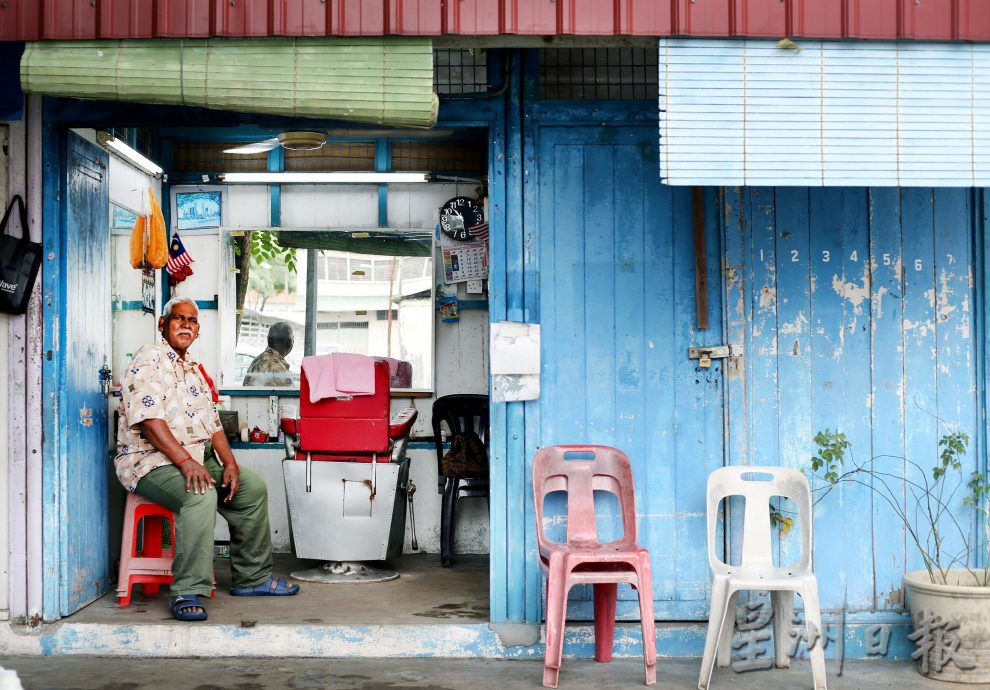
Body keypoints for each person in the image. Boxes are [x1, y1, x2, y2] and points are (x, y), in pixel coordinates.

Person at [114, 297, 299, 622]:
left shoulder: (195, 372)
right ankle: (187, 589)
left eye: (192, 320)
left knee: (251, 488)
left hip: (196, 457)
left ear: (198, 330)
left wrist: (228, 462)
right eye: (178, 318)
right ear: (163, 324)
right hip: (149, 462)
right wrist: (186, 463)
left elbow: (213, 424)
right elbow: (149, 421)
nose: (186, 324)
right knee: (199, 492)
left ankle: (252, 578)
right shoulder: (149, 359)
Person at [242, 321, 296, 386]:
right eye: (293, 339)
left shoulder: (258, 359)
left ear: (268, 339)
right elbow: (291, 394)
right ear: (289, 341)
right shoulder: (276, 366)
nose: (293, 341)